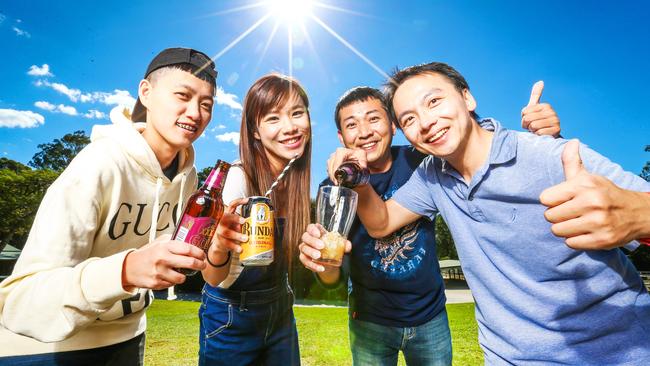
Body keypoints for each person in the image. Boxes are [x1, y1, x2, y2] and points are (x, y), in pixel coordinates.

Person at [327, 62, 650, 364]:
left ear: (467, 97)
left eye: (434, 101)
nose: (425, 122)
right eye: (409, 118)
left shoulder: (548, 153)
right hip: (508, 357)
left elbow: (637, 206)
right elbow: (381, 223)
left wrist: (640, 215)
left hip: (614, 352)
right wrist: (358, 179)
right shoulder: (431, 175)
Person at [298, 85, 561, 365]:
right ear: (341, 136)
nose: (364, 132)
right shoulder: (334, 186)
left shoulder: (423, 161)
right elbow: (330, 279)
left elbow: (476, 159)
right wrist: (323, 263)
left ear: (393, 124)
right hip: (369, 321)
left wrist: (542, 141)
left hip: (429, 316)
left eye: (374, 119)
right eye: (352, 124)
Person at [0, 47, 217, 365]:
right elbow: (19, 301)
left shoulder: (188, 179)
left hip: (128, 340)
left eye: (206, 104)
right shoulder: (99, 163)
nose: (195, 113)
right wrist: (126, 270)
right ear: (146, 92)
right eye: (182, 95)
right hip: (45, 350)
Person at [198, 73, 311, 365]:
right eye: (273, 118)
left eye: (297, 113)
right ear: (256, 131)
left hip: (280, 309)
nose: (290, 127)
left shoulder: (295, 179)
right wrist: (221, 245)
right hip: (232, 314)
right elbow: (212, 277)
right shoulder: (239, 178)